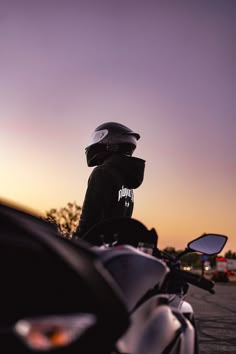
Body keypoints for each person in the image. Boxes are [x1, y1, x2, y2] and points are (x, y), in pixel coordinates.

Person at [73, 121, 146, 240]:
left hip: (95, 248)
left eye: (97, 138)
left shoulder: (102, 172)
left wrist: (76, 243)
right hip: (113, 247)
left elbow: (90, 218)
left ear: (111, 144)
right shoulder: (127, 179)